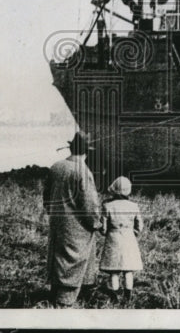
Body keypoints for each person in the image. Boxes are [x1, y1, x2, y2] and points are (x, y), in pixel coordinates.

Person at [43, 130, 101, 307]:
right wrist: (96, 223)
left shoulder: (56, 166)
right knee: (73, 261)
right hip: (77, 226)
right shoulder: (83, 172)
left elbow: (46, 196)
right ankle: (65, 302)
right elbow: (89, 205)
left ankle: (55, 295)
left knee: (59, 257)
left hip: (57, 223)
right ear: (87, 150)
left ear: (71, 147)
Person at [98, 176, 143, 305]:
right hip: (129, 239)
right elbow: (140, 225)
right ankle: (128, 297)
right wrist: (133, 232)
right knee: (129, 270)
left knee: (114, 270)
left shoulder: (107, 206)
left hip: (113, 239)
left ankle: (114, 297)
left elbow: (103, 227)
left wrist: (105, 232)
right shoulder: (134, 206)